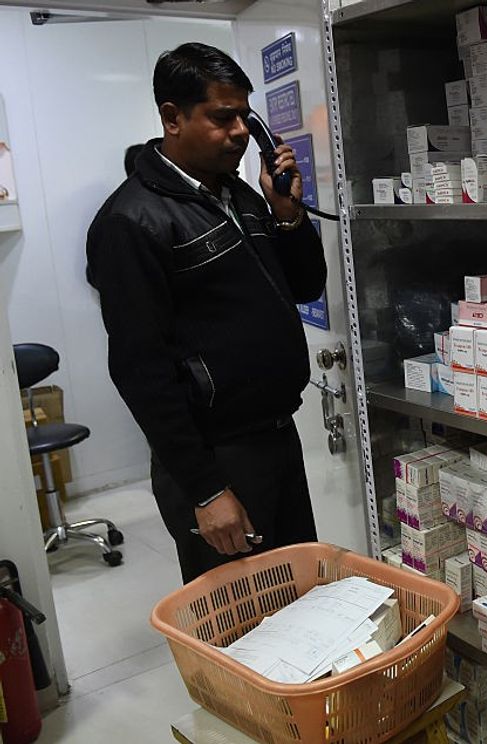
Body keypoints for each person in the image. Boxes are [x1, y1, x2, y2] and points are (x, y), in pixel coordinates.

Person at [86, 43, 327, 583]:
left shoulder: (238, 194)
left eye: (246, 116)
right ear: (172, 117)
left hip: (274, 438)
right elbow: (139, 369)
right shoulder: (132, 222)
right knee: (245, 627)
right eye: (223, 117)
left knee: (303, 601)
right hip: (218, 459)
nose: (241, 131)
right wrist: (206, 489)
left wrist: (287, 215)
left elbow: (306, 285)